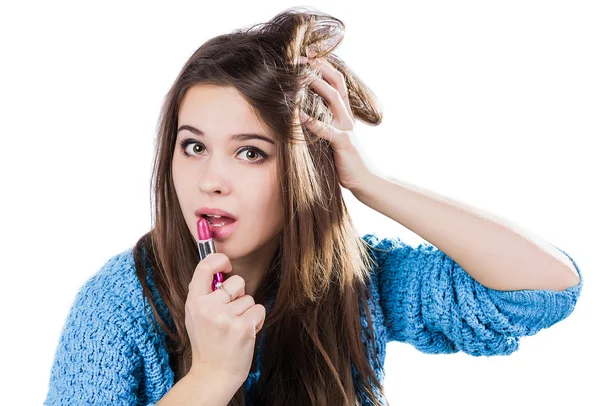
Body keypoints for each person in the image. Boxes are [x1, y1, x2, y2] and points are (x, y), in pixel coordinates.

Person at [43, 6, 583, 406]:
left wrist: (370, 183)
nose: (211, 180)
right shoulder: (118, 305)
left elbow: (545, 290)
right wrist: (208, 376)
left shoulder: (354, 283)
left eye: (249, 152)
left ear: (306, 172)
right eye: (194, 146)